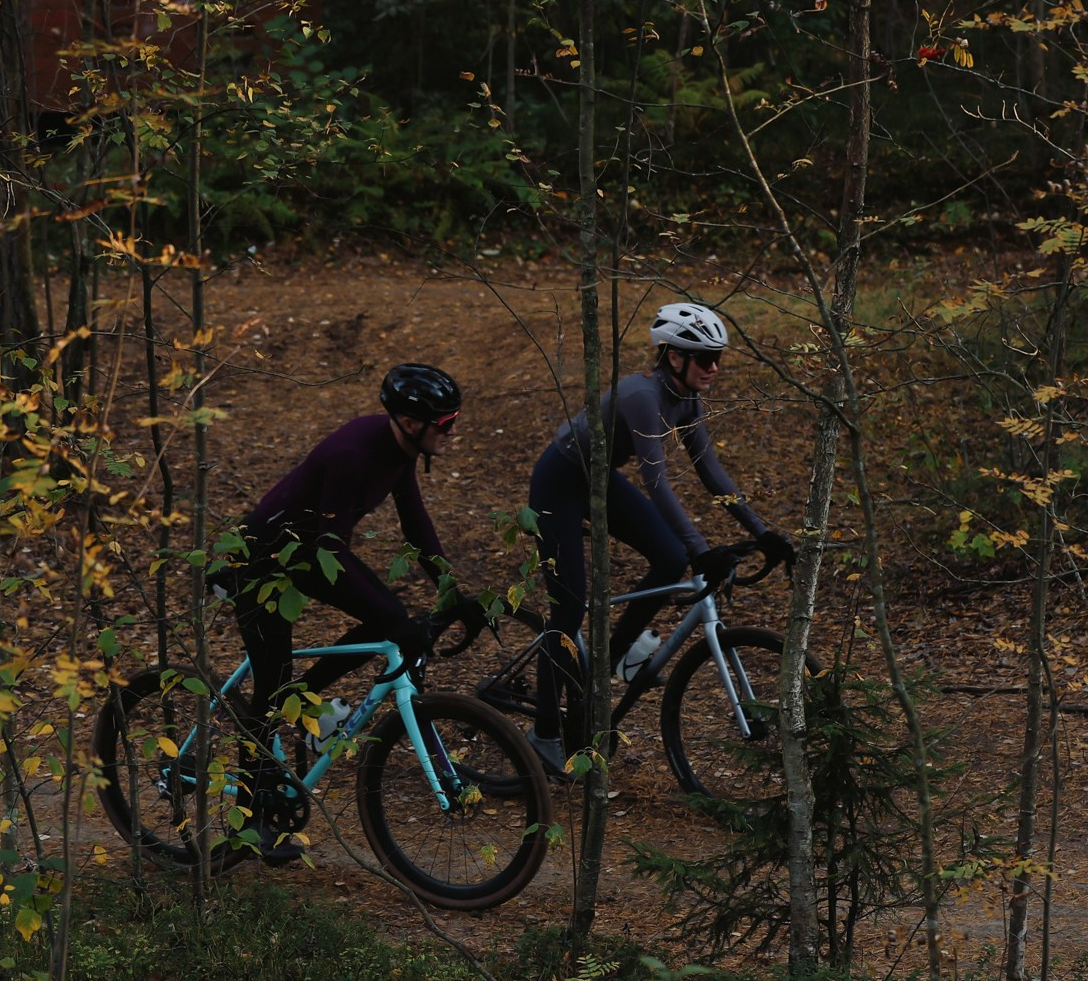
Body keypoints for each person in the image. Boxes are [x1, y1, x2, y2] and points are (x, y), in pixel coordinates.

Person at [217, 363, 482, 859]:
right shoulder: (353, 455)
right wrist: (399, 615)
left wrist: (451, 593)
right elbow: (331, 551)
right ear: (408, 421)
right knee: (272, 688)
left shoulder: (398, 451)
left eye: (454, 419)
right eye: (444, 424)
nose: (452, 432)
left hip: (306, 554)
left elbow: (416, 525)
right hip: (259, 562)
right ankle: (248, 822)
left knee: (387, 620)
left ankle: (305, 702)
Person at [526, 302, 791, 777]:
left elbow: (710, 471)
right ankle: (544, 729)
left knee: (671, 561)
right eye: (704, 358)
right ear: (674, 357)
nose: (713, 368)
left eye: (718, 359)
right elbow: (658, 482)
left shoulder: (687, 399)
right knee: (570, 605)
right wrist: (703, 549)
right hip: (559, 481)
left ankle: (610, 664)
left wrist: (762, 531)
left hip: (599, 477)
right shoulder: (641, 396)